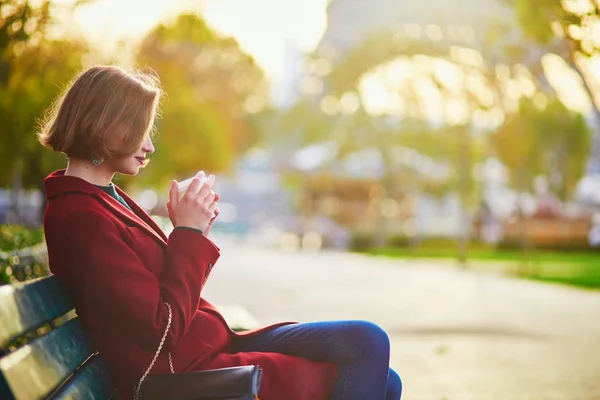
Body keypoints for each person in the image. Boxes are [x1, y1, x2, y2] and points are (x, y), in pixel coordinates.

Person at [39, 65, 402, 400]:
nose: (148, 145)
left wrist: (194, 230)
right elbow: (160, 329)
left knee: (376, 358)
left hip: (212, 344)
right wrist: (188, 234)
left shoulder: (106, 199)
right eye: (139, 130)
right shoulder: (80, 216)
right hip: (185, 372)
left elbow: (166, 291)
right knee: (369, 348)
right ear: (103, 125)